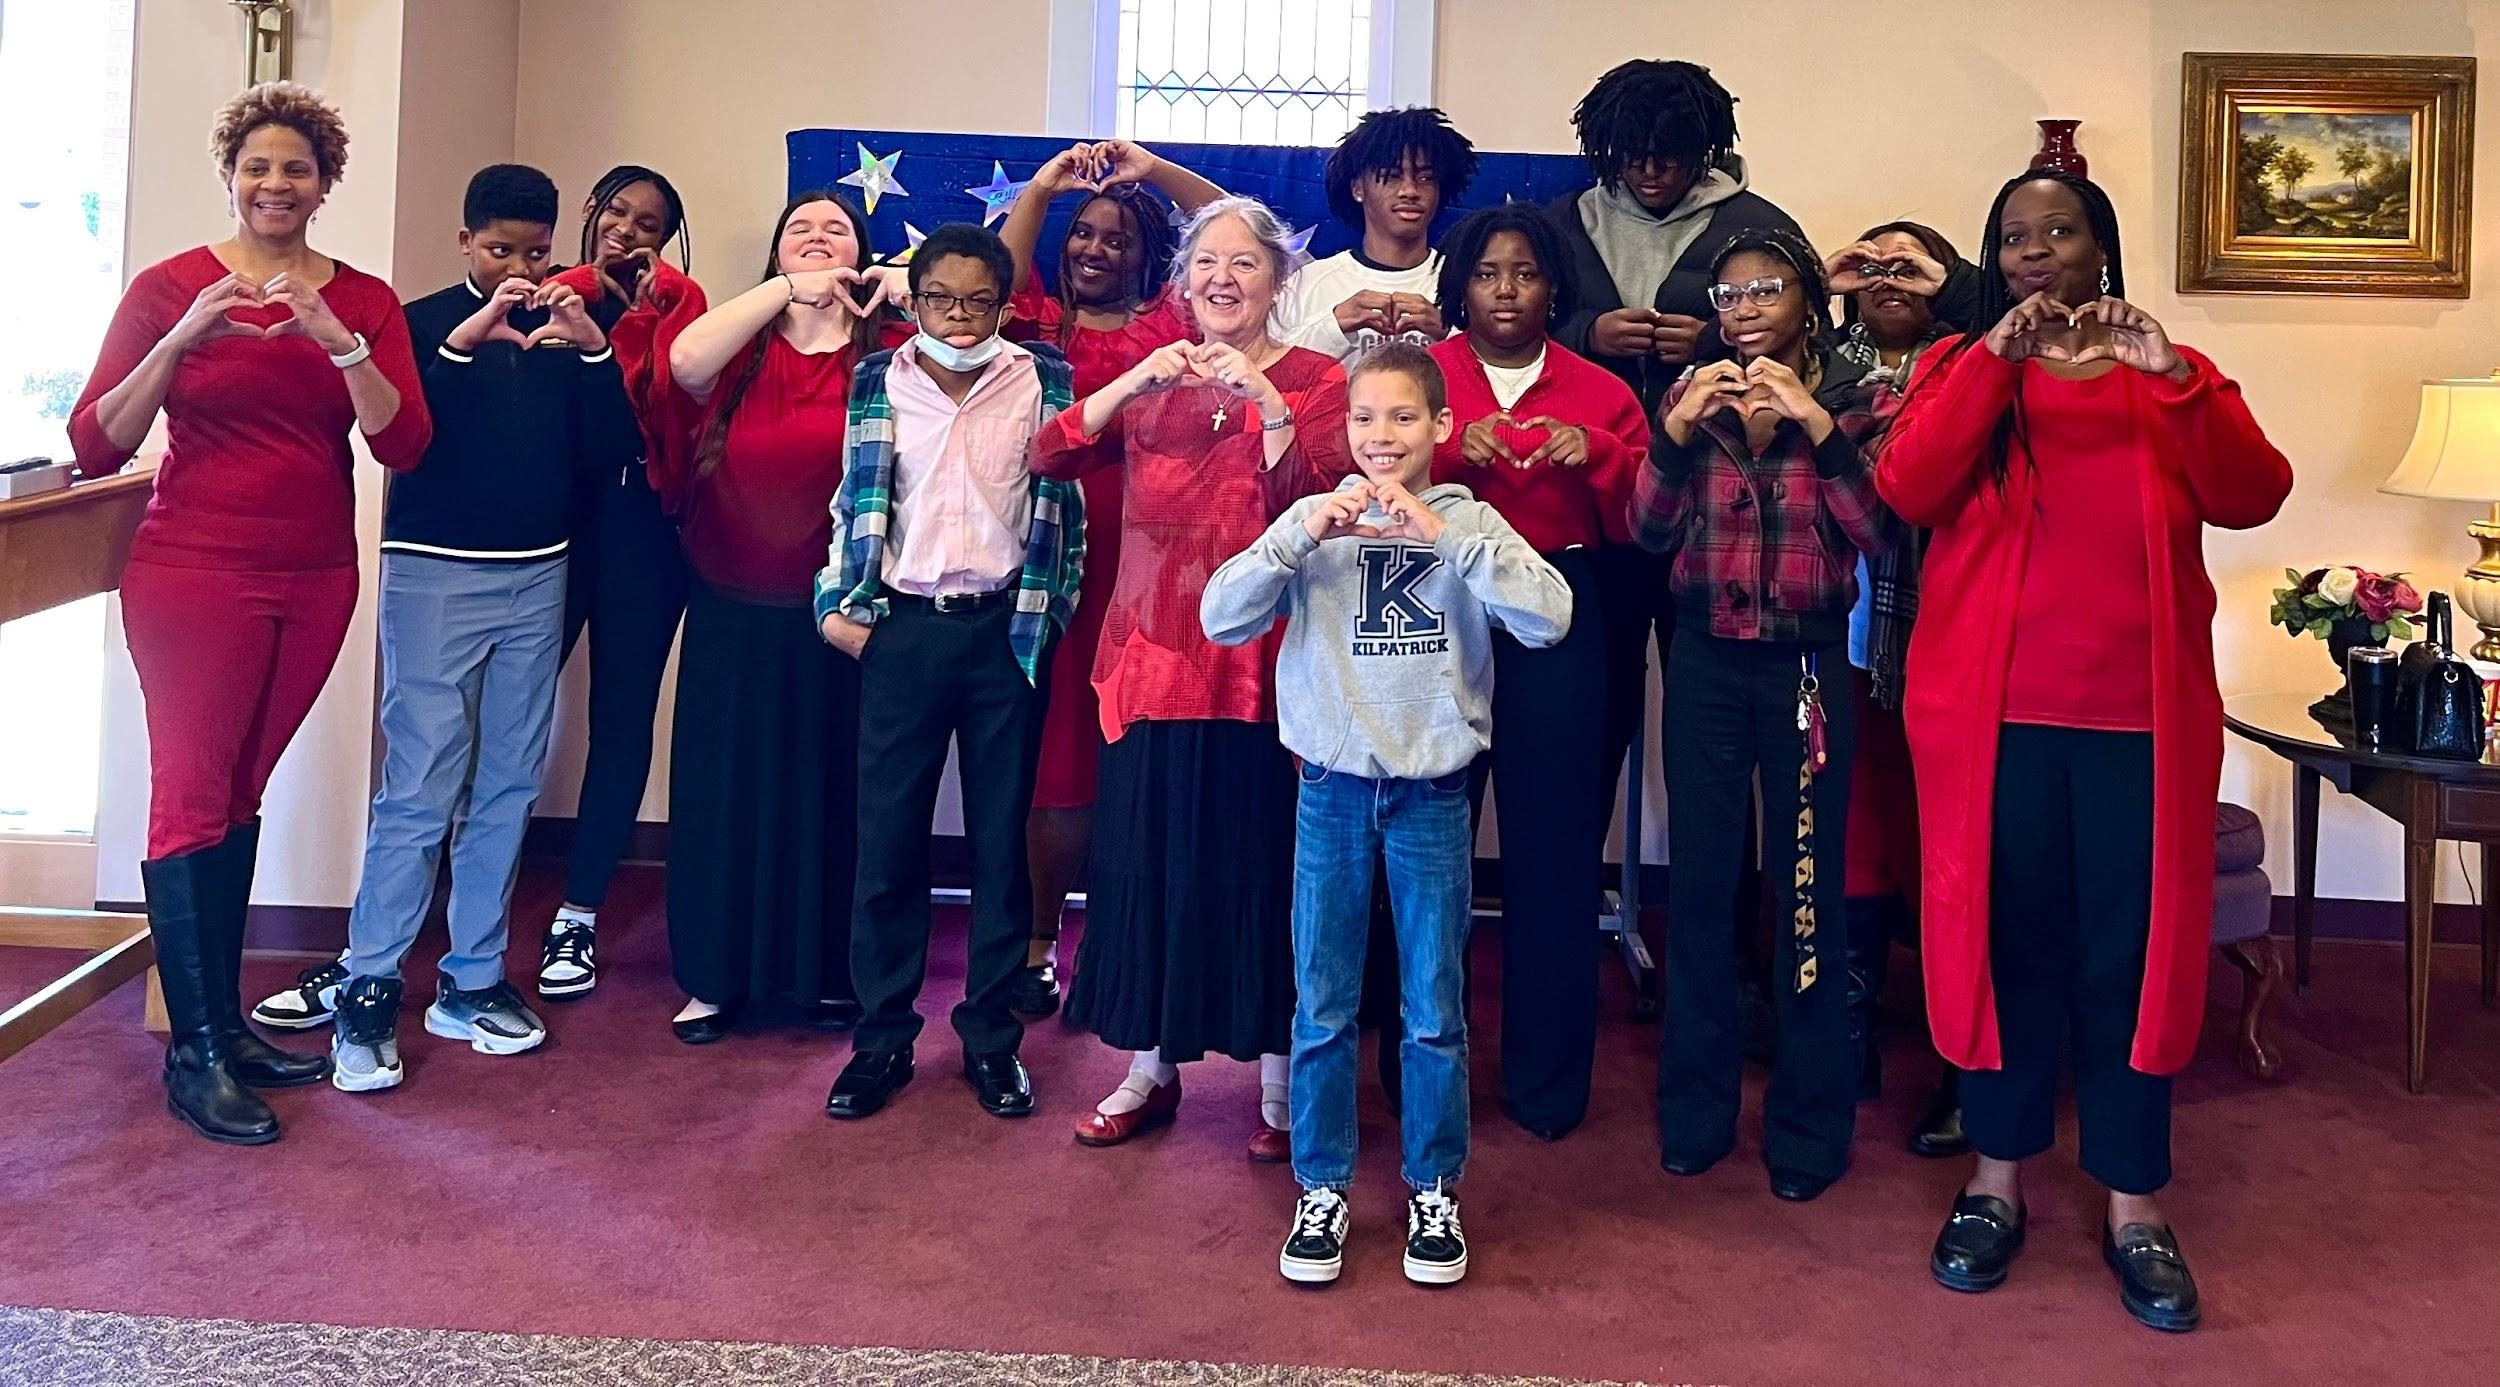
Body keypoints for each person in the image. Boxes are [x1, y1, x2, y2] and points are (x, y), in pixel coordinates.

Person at [1881, 170, 2291, 1333]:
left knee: (2130, 958)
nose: (2033, 252)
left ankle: (2134, 1204)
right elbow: (1908, 487)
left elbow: (2254, 492)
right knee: (2009, 950)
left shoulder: (2168, 370)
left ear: (2099, 248)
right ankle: (1994, 1181)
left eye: (2057, 231)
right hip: (1992, 720)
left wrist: (2178, 380)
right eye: (2012, 238)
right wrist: (1994, 362)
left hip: (2140, 723)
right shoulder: (1965, 368)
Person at [68, 82, 429, 1145]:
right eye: (259, 167)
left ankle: (225, 1025)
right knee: (189, 793)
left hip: (316, 572)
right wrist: (181, 336)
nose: (277, 184)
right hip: (193, 572)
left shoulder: (360, 298)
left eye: (297, 169)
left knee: (237, 793)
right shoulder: (168, 286)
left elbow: (403, 445)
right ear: (231, 176)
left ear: (324, 184)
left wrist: (341, 343)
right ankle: (194, 1052)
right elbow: (96, 441)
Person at [1204, 342, 1570, 1286]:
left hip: (1431, 793)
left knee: (1433, 1006)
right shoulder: (1309, 519)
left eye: (1403, 417)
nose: (1382, 436)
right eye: (1366, 418)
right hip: (1328, 788)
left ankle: (1432, 1184)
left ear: (1441, 426)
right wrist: (1300, 536)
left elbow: (1549, 615)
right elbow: (1221, 616)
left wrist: (1443, 538)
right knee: (1322, 1001)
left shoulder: (1469, 520)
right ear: (1344, 428)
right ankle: (1320, 1185)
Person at [1032, 196, 1352, 1161]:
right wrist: (1138, 372)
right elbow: (1048, 451)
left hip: (1264, 659)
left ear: (1278, 280)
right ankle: (1147, 1068)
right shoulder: (1150, 373)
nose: (1224, 278)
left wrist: (1262, 397)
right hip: (1149, 653)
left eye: (1245, 264)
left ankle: (1279, 1085)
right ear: (1181, 279)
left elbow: (1324, 493)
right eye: (1206, 262)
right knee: (1144, 865)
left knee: (1261, 868)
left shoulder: (1316, 376)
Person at [326, 164, 636, 1091]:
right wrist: (463, 344)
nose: (518, 269)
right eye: (500, 250)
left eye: (536, 252)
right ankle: (369, 985)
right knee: (419, 785)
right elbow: (403, 441)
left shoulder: (564, 325)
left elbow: (615, 452)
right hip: (433, 577)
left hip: (537, 577)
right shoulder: (419, 324)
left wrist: (589, 353)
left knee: (508, 780)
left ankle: (470, 979)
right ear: (465, 241)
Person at [1633, 228, 1899, 1203]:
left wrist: (1818, 431)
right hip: (1702, 662)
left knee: (1803, 894)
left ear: (1804, 302)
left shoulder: (1850, 402)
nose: (1744, 307)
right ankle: (1695, 1118)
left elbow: (1878, 534)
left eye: (1765, 289)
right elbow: (1646, 530)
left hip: (1807, 671)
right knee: (1699, 891)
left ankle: (1808, 1127)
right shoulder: (1690, 398)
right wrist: (1670, 433)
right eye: (1728, 294)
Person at [1548, 59, 1810, 1039]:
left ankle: (1737, 965)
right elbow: (1514, 319)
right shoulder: (1563, 221)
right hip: (1593, 515)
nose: (1651, 173)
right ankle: (1566, 941)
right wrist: (1590, 328)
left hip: (1718, 521)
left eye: (1671, 156)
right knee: (1587, 729)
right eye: (1632, 156)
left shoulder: (1761, 220)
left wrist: (1706, 341)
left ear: (1705, 150)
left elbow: (1798, 327)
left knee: (1724, 753)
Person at [815, 224, 1082, 1121]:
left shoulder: (1041, 379)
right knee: (887, 841)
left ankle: (991, 1039)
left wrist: (1048, 614)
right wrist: (835, 606)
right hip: (903, 631)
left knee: (1003, 844)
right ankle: (882, 1038)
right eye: (940, 300)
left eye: (977, 302)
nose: (959, 320)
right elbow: (852, 498)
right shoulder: (875, 382)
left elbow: (1066, 509)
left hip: (1004, 633)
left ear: (1006, 306)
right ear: (912, 301)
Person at [651, 189, 897, 1044]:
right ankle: (716, 978)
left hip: (844, 617)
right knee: (726, 795)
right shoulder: (739, 343)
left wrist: (884, 286)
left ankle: (827, 976)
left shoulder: (886, 356)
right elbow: (681, 362)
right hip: (730, 609)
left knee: (835, 796)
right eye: (800, 230)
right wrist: (787, 290)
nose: (820, 241)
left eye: (838, 231)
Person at [1427, 204, 1646, 1140]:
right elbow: (1354, 466)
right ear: (1460, 285)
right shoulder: (1421, 376)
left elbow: (1647, 519)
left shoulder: (1602, 389)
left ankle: (1547, 1081)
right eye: (1487, 273)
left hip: (1562, 606)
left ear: (1555, 288)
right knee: (1428, 844)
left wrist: (1596, 457)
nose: (1506, 291)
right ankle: (1422, 1073)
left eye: (1524, 274)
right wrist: (1445, 451)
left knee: (1554, 849)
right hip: (1432, 610)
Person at [996, 140, 1215, 1019]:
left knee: (1128, 762)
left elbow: (1221, 225)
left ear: (1146, 257)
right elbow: (995, 273)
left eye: (1115, 239)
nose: (1094, 249)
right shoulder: (1034, 322)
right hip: (1044, 568)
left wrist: (1151, 170)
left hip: (1150, 572)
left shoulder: (1170, 326)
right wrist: (1046, 188)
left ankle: (1124, 942)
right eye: (1081, 234)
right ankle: (1039, 940)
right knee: (1054, 764)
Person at [532, 164, 708, 1003]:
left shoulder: (678, 303)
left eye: (650, 223)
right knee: (513, 709)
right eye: (618, 212)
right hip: (550, 526)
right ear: (592, 210)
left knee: (621, 717)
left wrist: (633, 307)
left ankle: (579, 909)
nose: (628, 231)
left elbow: (669, 403)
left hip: (645, 530)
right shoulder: (537, 291)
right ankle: (470, 894)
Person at [1824, 221, 1972, 1157]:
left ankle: (1965, 1067)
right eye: (1868, 264)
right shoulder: (1819, 359)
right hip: (1839, 640)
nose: (1886, 278)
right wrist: (1819, 281)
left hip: (1945, 640)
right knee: (1854, 838)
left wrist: (1950, 289)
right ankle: (1847, 1040)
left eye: (1906, 266)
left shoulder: (1970, 359)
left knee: (1948, 854)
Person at [1275, 107, 1478, 361]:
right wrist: (1334, 327)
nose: (1410, 190)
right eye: (1392, 176)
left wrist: (1448, 332)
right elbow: (1270, 375)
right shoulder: (1308, 284)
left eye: (1426, 178)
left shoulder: (1466, 283)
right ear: (1358, 188)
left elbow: (1502, 376)